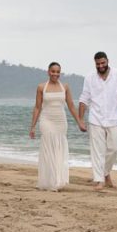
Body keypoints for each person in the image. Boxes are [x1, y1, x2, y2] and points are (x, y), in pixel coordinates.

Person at [29, 62, 86, 191]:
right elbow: (37, 107)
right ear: (48, 72)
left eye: (58, 72)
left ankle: (58, 180)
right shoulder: (41, 87)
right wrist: (32, 127)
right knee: (48, 149)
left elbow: (71, 106)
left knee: (59, 150)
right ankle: (50, 181)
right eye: (53, 71)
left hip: (60, 121)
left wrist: (79, 122)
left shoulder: (65, 87)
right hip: (46, 120)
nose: (55, 74)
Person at [78, 51, 117, 191]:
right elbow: (84, 99)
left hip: (115, 118)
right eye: (98, 64)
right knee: (97, 151)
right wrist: (80, 119)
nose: (100, 66)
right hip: (95, 118)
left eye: (103, 63)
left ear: (107, 61)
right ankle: (99, 180)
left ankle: (105, 172)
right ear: (95, 63)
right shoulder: (89, 77)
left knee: (114, 148)